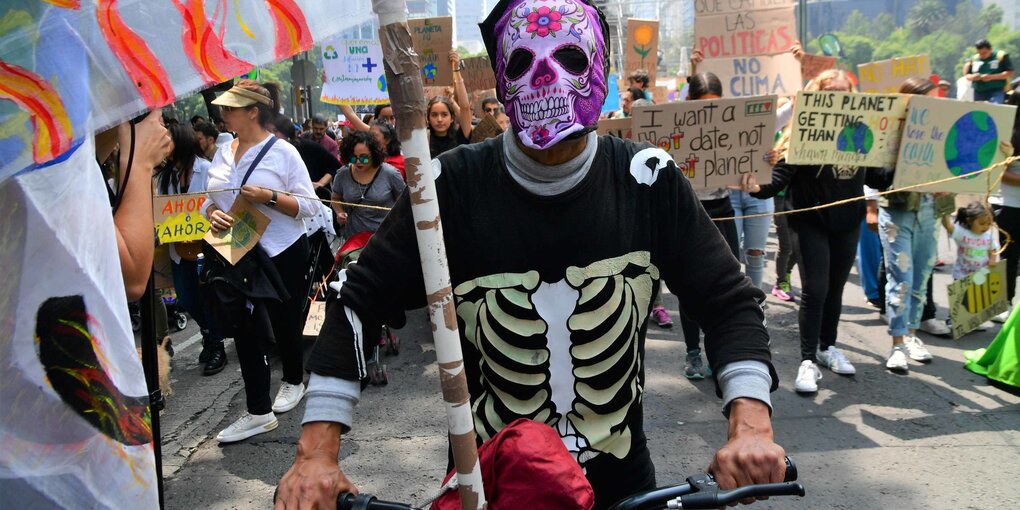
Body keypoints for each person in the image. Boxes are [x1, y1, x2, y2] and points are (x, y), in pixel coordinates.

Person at [276, 2, 784, 509]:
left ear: (601, 69)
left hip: (623, 488)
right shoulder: (447, 187)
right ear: (501, 83)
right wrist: (316, 451)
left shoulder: (646, 178)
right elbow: (356, 300)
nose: (547, 77)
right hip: (489, 484)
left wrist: (752, 425)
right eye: (522, 62)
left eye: (569, 57)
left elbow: (727, 301)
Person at [739, 69, 894, 394]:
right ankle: (807, 360)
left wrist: (897, 153)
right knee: (816, 289)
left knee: (835, 289)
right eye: (831, 93)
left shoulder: (861, 133)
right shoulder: (804, 134)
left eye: (845, 94)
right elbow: (778, 180)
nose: (839, 100)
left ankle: (827, 347)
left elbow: (878, 179)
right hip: (809, 222)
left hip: (846, 222)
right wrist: (754, 187)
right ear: (816, 98)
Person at [203, 80, 318, 443]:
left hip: (282, 249)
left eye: (231, 108)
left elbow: (311, 207)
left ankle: (293, 379)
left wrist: (268, 196)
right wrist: (211, 213)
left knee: (285, 321)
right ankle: (258, 410)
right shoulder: (223, 151)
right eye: (223, 108)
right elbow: (209, 199)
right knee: (244, 327)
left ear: (253, 111)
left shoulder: (284, 153)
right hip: (236, 251)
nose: (223, 114)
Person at [874, 78, 958, 373]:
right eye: (927, 102)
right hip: (898, 212)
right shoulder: (890, 130)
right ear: (909, 102)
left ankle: (911, 335)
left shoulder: (948, 131)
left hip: (931, 211)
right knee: (901, 279)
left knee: (921, 279)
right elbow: (875, 176)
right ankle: (897, 344)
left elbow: (963, 164)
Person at [667, 72, 742, 381]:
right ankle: (692, 351)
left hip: (723, 211)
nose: (709, 110)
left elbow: (745, 161)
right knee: (689, 288)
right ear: (690, 103)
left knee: (726, 286)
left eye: (715, 104)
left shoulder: (733, 125)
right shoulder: (678, 126)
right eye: (702, 104)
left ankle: (718, 350)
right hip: (690, 213)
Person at [154, 124, 229, 375]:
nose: (164, 146)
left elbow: (218, 203)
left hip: (207, 248)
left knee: (209, 297)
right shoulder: (165, 177)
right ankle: (208, 334)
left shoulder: (206, 169)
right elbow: (163, 211)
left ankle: (216, 344)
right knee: (186, 298)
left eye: (168, 141)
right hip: (178, 250)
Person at [330, 130, 405, 240]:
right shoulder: (343, 174)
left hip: (385, 238)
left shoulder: (390, 174)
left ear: (374, 155)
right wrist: (340, 212)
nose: (359, 162)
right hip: (353, 239)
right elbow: (335, 198)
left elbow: (403, 203)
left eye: (364, 157)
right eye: (354, 158)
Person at [948, 201, 1001, 331]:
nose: (986, 227)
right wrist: (944, 214)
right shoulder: (963, 233)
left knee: (976, 299)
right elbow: (949, 227)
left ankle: (972, 322)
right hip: (962, 273)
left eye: (989, 224)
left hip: (980, 274)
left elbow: (992, 250)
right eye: (982, 223)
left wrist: (992, 260)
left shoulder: (988, 237)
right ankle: (953, 320)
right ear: (970, 220)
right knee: (959, 299)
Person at [992, 87, 1020, 322]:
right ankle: (1004, 303)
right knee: (1008, 255)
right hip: (1008, 203)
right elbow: (996, 172)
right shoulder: (1006, 134)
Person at [964, 39, 1014, 104]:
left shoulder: (1001, 56)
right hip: (979, 92)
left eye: (984, 53)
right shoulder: (974, 59)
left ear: (990, 49)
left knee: (994, 109)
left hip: (996, 90)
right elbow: (967, 75)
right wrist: (974, 77)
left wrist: (991, 77)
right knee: (979, 111)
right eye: (979, 53)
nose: (982, 55)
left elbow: (1010, 73)